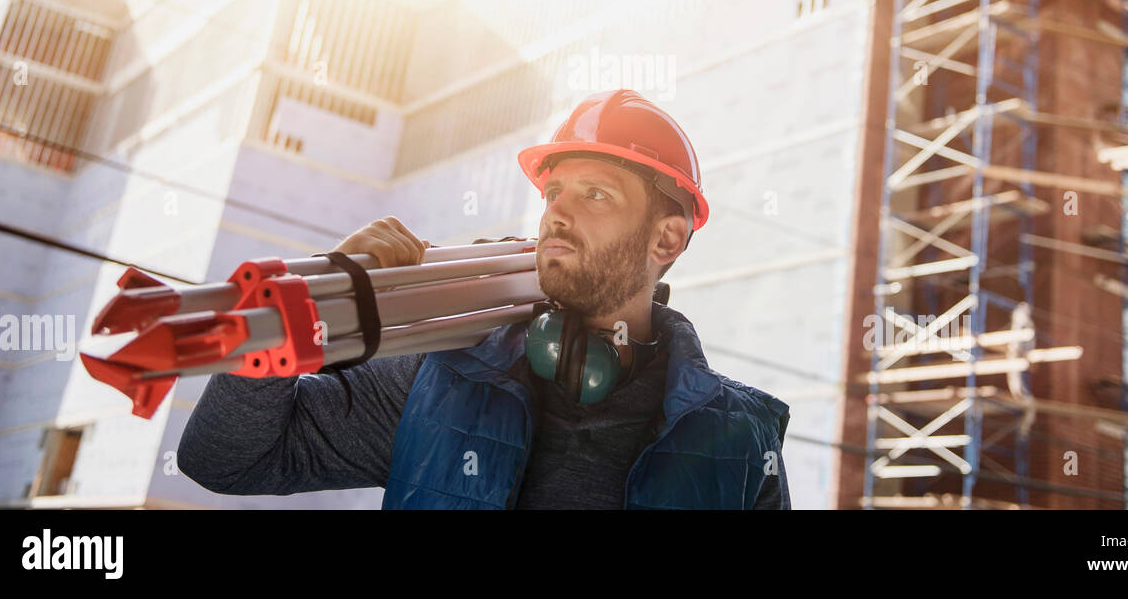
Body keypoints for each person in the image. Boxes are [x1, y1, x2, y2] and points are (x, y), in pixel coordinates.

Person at [178, 89, 791, 508]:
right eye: (554, 193)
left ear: (667, 237)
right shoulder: (444, 378)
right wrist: (307, 303)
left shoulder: (739, 439)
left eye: (596, 195)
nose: (557, 214)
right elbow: (223, 459)